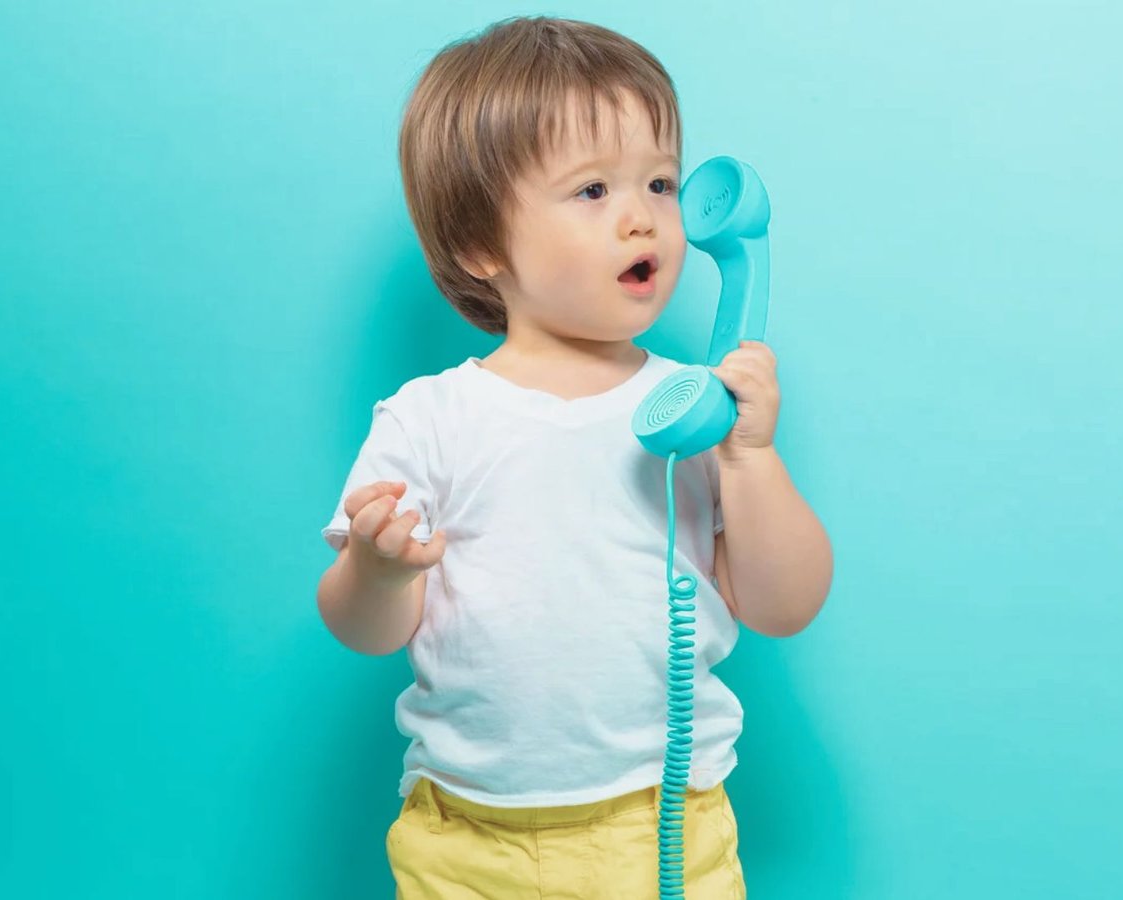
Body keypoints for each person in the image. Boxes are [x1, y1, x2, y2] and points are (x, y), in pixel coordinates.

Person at [316, 15, 833, 898]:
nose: (643, 217)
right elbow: (365, 632)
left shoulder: (696, 413)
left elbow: (786, 607)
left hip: (670, 822)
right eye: (593, 191)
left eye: (662, 183)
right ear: (481, 244)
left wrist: (750, 457)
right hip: (473, 843)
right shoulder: (431, 418)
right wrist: (377, 567)